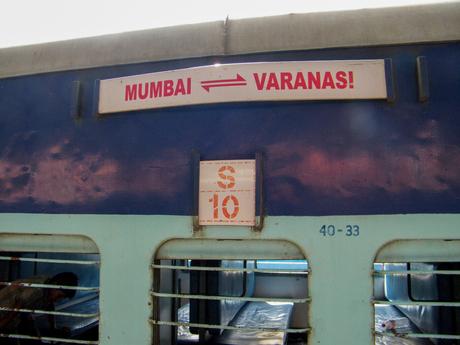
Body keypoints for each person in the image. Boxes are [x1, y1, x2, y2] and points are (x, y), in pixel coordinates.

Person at [0, 272, 78, 344]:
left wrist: (53, 328)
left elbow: (50, 305)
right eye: (59, 296)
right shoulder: (36, 291)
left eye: (62, 297)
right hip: (6, 309)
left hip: (20, 312)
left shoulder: (50, 286)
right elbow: (12, 312)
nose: (58, 299)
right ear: (55, 284)